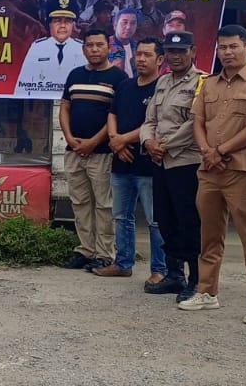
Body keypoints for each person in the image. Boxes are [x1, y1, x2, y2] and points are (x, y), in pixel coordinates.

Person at [183, 25, 246, 323]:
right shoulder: (207, 84)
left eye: (233, 46)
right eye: (222, 47)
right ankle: (207, 292)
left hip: (242, 170)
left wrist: (220, 151)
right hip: (209, 171)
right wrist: (207, 152)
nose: (227, 52)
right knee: (209, 235)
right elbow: (198, 121)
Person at [96, 36, 168, 286]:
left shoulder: (163, 87)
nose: (141, 59)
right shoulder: (125, 85)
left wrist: (121, 140)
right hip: (121, 163)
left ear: (160, 59)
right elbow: (112, 114)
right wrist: (116, 142)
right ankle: (123, 263)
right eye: (138, 54)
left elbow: (155, 123)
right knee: (121, 216)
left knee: (154, 220)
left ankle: (160, 269)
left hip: (149, 165)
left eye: (147, 55)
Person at [139, 31, 204, 301]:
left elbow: (195, 122)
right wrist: (148, 143)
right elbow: (149, 119)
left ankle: (197, 280)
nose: (176, 56)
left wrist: (165, 145)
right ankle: (174, 274)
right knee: (165, 219)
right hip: (160, 161)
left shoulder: (202, 82)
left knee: (189, 221)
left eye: (182, 51)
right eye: (171, 52)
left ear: (193, 52)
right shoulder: (163, 81)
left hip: (185, 162)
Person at [60, 29, 127, 270]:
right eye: (90, 45)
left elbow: (115, 116)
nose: (95, 49)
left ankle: (104, 253)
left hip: (101, 153)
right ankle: (85, 250)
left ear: (108, 47)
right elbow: (65, 108)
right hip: (74, 150)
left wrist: (93, 142)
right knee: (80, 203)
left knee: (104, 205)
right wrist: (69, 137)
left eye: (99, 45)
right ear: (84, 49)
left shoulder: (119, 78)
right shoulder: (75, 75)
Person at [17, 1, 85, 96]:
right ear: (49, 24)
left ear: (73, 25)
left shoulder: (81, 48)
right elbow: (22, 83)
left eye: (67, 21)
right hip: (41, 101)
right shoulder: (38, 47)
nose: (62, 25)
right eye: (57, 21)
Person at [108, 8, 140, 75]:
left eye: (133, 23)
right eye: (124, 22)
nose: (128, 27)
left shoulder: (138, 46)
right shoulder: (105, 45)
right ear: (115, 25)